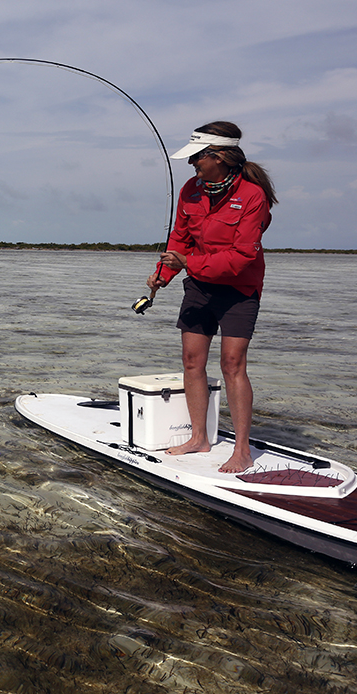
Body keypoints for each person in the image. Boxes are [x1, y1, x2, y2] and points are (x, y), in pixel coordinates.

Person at [146, 121, 277, 473]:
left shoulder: (252, 196)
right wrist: (164, 274)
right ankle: (198, 438)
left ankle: (242, 449)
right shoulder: (190, 189)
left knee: (232, 364)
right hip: (199, 288)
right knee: (192, 361)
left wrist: (189, 262)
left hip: (239, 289)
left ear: (218, 157)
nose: (192, 165)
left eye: (197, 158)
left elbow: (242, 257)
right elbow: (180, 239)